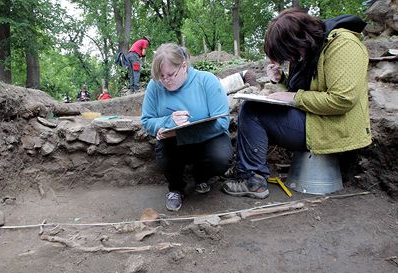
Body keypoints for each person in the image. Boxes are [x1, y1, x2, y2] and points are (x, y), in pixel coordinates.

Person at [222, 8, 372, 199]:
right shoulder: (311, 48)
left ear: (297, 39)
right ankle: (248, 170)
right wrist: (281, 79)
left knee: (254, 113)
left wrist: (295, 97)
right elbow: (307, 89)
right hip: (318, 120)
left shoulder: (343, 45)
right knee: (253, 108)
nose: (290, 59)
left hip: (336, 128)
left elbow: (342, 100)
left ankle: (252, 179)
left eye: (288, 54)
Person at [141, 43, 232, 212]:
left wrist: (183, 134)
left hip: (209, 139)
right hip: (173, 144)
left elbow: (222, 121)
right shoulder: (155, 86)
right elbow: (147, 121)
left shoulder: (207, 80)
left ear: (183, 66)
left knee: (221, 157)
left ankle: (202, 176)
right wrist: (168, 121)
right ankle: (176, 188)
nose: (166, 81)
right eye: (161, 76)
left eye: (170, 75)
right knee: (164, 152)